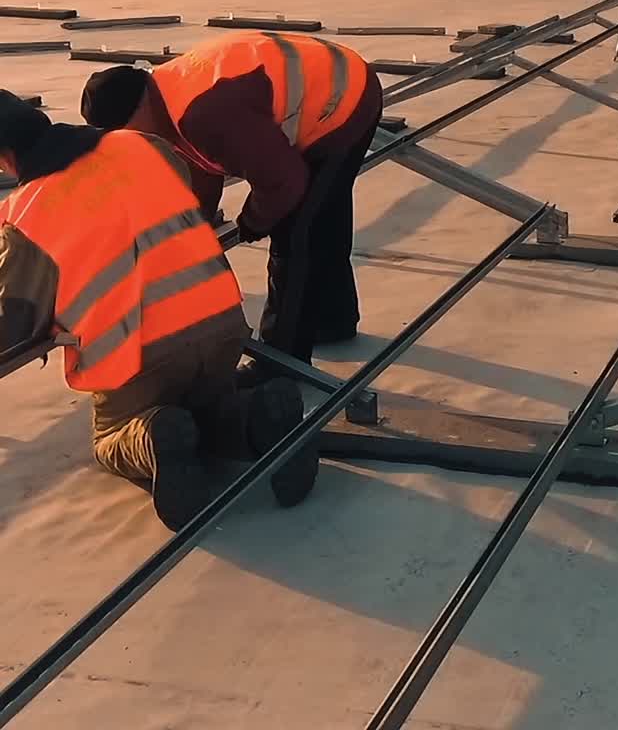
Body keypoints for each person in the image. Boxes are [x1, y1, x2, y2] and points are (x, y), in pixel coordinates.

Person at [0, 91, 317, 530]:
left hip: (136, 356)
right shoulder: (140, 146)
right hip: (221, 324)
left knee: (111, 438)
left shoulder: (27, 213)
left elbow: (15, 323)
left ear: (7, 158)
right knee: (208, 403)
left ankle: (153, 435)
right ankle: (256, 416)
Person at [80, 30, 383, 367]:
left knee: (295, 233)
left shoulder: (203, 112)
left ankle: (283, 362)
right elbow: (203, 163)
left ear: (135, 113)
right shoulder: (169, 90)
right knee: (324, 212)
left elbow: (284, 182)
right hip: (341, 75)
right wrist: (196, 227)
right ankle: (333, 322)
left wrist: (253, 220)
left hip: (342, 101)